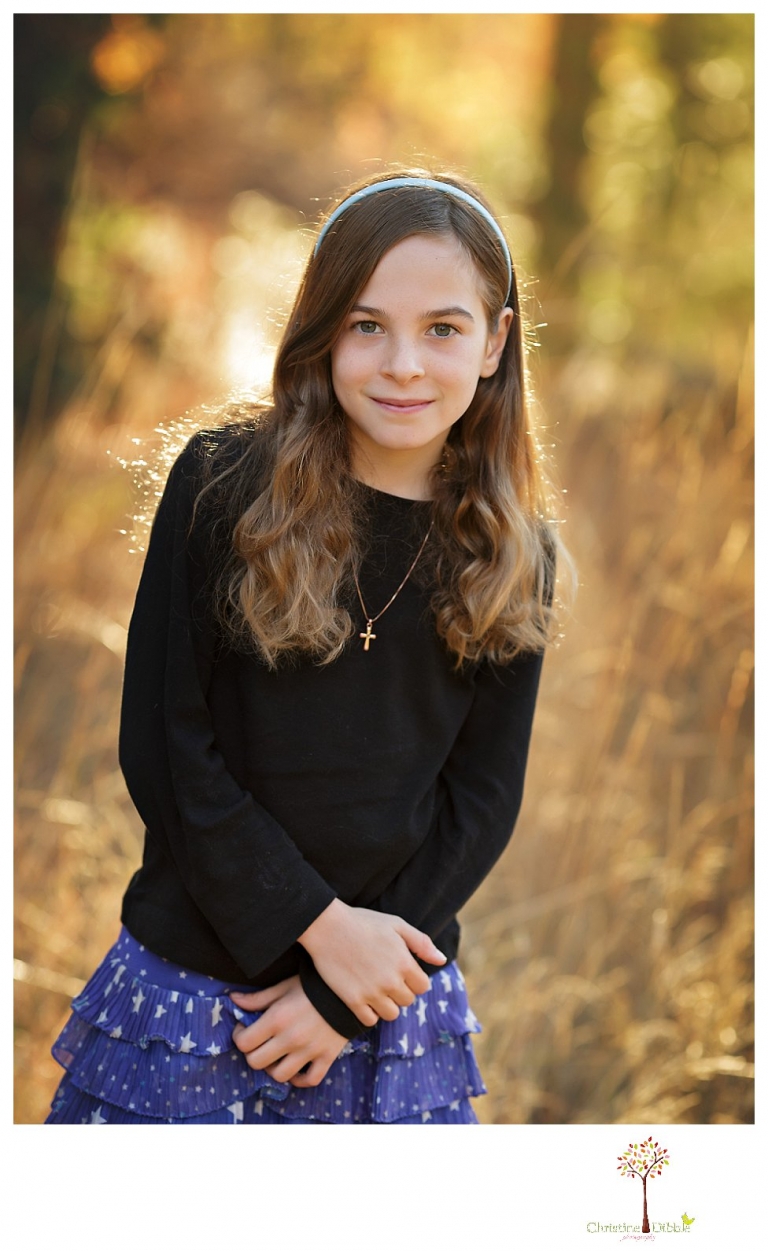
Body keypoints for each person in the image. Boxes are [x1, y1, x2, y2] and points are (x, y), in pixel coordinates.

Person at [45, 169, 566, 1125]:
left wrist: (340, 995)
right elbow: (167, 747)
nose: (404, 363)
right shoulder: (223, 485)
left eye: (443, 328)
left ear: (494, 344)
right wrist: (318, 930)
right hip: (196, 990)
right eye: (367, 325)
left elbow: (481, 802)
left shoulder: (512, 554)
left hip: (379, 1010)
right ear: (322, 330)